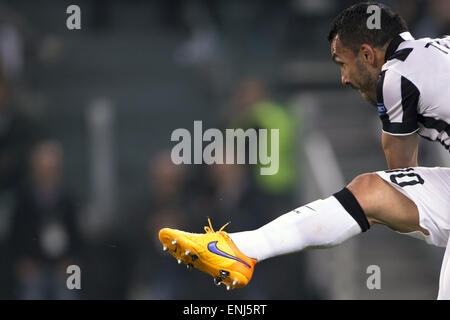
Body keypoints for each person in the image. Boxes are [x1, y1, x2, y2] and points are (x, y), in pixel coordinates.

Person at [159, 2, 450, 299]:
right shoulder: (437, 50)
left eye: (342, 63)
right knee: (369, 191)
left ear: (366, 55)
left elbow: (402, 176)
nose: (344, 78)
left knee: (378, 194)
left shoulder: (396, 76)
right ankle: (238, 249)